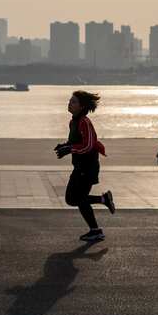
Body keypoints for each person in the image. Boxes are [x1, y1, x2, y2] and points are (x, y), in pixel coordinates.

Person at [55, 90, 113, 242]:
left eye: (73, 101)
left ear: (82, 106)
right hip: (80, 167)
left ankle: (96, 229)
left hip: (88, 167)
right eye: (70, 100)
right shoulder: (73, 121)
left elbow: (88, 145)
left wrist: (70, 149)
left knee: (77, 199)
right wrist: (65, 146)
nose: (69, 103)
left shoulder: (84, 122)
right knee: (72, 199)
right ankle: (103, 201)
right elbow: (76, 142)